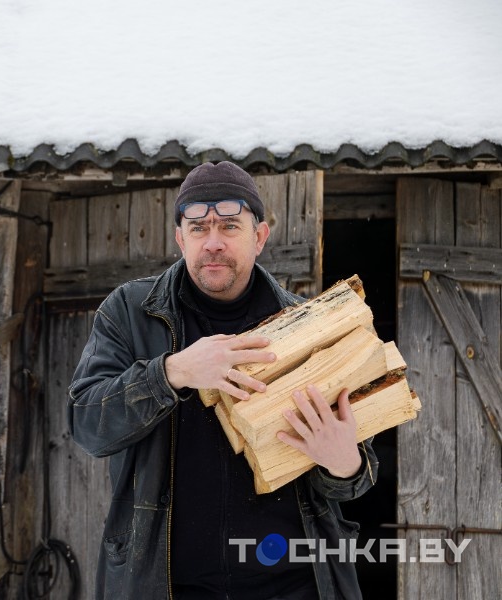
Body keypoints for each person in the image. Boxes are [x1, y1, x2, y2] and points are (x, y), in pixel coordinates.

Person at [68, 161, 377, 600]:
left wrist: (345, 463)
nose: (213, 242)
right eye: (198, 228)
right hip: (169, 587)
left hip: (294, 586)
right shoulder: (130, 313)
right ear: (180, 239)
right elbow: (85, 423)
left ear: (260, 237)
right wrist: (173, 373)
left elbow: (355, 473)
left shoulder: (308, 322)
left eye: (230, 226)